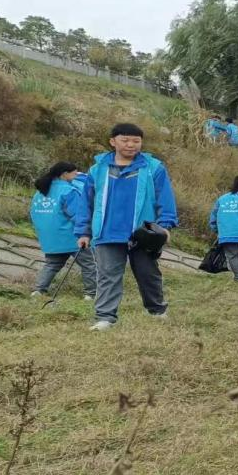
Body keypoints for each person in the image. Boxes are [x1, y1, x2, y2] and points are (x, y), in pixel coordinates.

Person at [77, 123, 178, 331]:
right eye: (125, 140)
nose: (131, 145)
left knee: (148, 273)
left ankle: (157, 310)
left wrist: (165, 225)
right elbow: (86, 202)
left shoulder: (153, 168)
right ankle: (105, 317)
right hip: (107, 232)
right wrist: (83, 231)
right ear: (113, 142)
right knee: (108, 275)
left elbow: (165, 198)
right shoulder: (97, 170)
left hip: (143, 234)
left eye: (136, 141)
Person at [29, 161, 96, 300]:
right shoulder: (68, 191)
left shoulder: (40, 191)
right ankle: (91, 293)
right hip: (71, 236)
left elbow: (34, 214)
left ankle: (38, 290)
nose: (77, 176)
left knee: (52, 264)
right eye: (74, 173)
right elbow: (78, 215)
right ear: (65, 174)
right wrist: (86, 232)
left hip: (50, 237)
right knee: (89, 264)